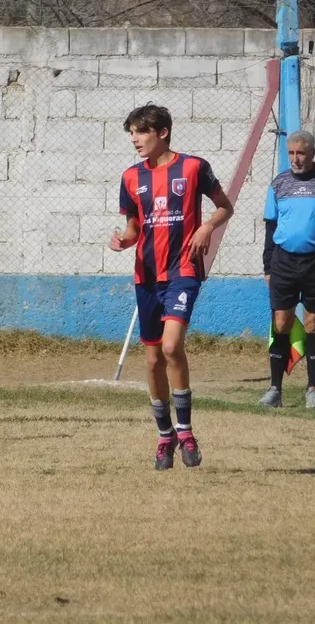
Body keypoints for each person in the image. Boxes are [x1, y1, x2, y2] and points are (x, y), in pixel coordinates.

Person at [109, 104, 234, 470]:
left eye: (141, 132)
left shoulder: (193, 168)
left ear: (163, 132)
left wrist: (207, 226)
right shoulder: (131, 177)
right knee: (151, 360)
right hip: (146, 276)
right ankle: (165, 438)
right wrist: (123, 241)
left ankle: (186, 430)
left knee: (171, 346)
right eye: (131, 132)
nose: (135, 139)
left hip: (183, 271)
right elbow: (135, 229)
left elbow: (224, 207)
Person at [260, 129, 315, 409]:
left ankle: (312, 389)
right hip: (284, 262)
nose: (295, 158)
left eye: (301, 153)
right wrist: (267, 265)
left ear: (312, 153)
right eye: (291, 153)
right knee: (281, 323)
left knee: (313, 323)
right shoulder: (279, 185)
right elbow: (270, 227)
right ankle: (275, 389)